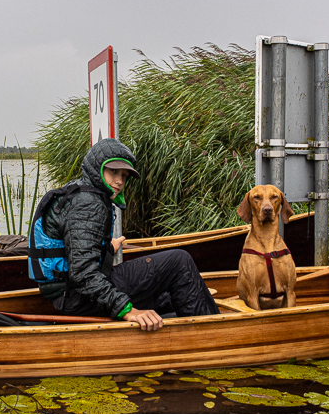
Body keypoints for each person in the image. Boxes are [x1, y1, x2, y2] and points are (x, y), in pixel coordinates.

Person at [31, 138, 218, 330]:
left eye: (124, 175)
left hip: (67, 294)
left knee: (165, 297)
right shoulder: (88, 203)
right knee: (179, 261)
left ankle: (185, 328)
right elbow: (82, 274)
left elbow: (76, 248)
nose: (119, 181)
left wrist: (107, 247)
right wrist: (127, 310)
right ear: (97, 167)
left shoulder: (80, 192)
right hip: (76, 298)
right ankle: (209, 332)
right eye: (113, 171)